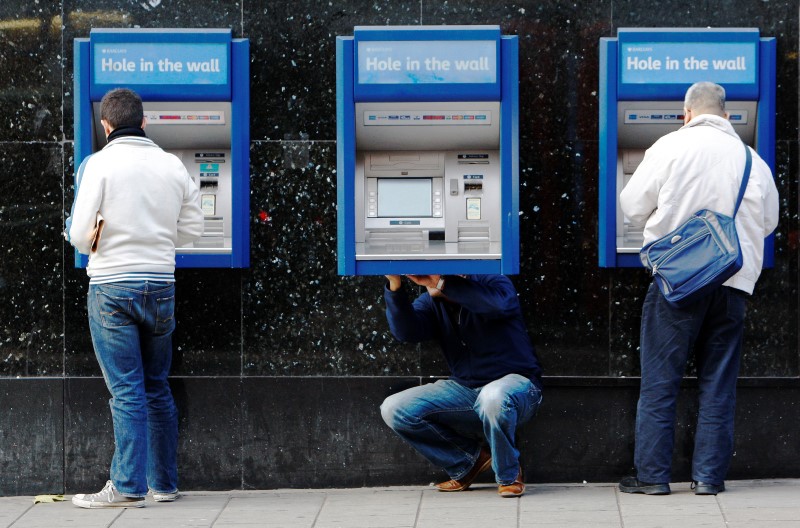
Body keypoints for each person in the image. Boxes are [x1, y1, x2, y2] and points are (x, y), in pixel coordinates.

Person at [618, 81, 779, 496]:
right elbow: (768, 223)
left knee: (660, 382)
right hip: (733, 283)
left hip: (679, 283)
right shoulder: (752, 159)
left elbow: (632, 207)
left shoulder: (669, 147)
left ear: (686, 113)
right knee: (718, 383)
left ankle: (652, 478)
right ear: (726, 116)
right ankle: (708, 478)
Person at [65, 88, 204, 508]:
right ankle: (163, 483)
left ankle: (126, 485)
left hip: (111, 287)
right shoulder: (172, 165)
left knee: (126, 390)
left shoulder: (99, 164)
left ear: (106, 126)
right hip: (161, 285)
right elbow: (192, 230)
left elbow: (78, 235)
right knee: (156, 385)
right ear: (144, 123)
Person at [380, 274, 543, 497]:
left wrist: (442, 283)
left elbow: (496, 306)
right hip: (465, 390)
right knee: (394, 408)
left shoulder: (493, 282)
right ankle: (467, 462)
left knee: (493, 396)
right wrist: (395, 285)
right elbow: (406, 332)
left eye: (433, 276)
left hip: (518, 387)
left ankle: (509, 475)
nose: (426, 282)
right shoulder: (432, 302)